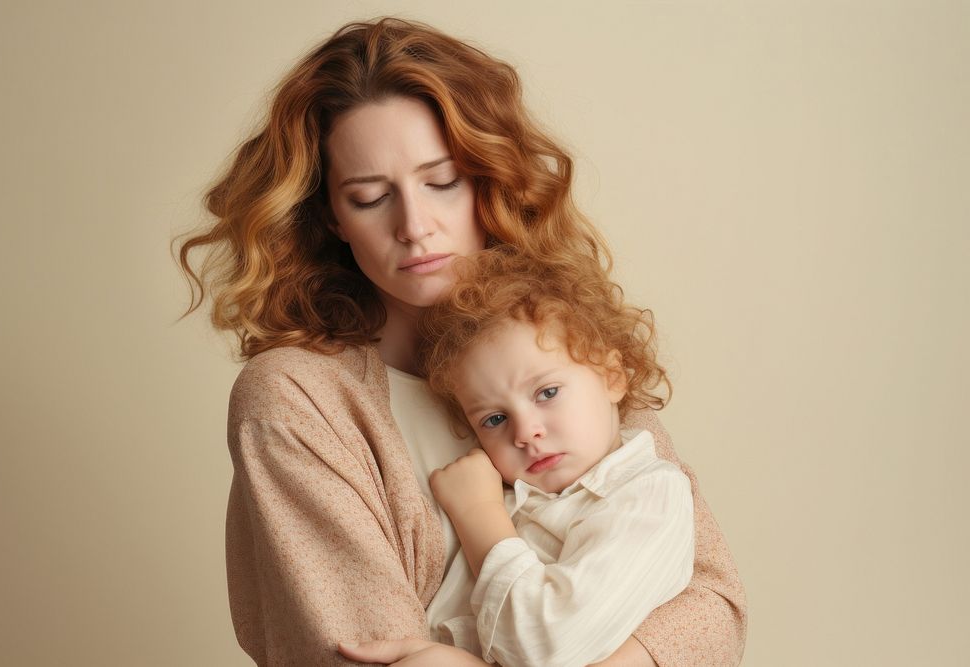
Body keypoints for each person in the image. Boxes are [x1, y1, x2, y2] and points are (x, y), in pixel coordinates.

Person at [177, 17, 746, 667]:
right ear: (332, 215)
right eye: (369, 197)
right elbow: (363, 651)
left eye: (441, 182)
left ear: (486, 177)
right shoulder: (297, 398)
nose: (415, 226)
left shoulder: (563, 342)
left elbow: (712, 604)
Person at [416, 246, 696, 667]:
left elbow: (549, 646)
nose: (526, 432)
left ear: (613, 377)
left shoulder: (649, 496)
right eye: (494, 419)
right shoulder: (515, 494)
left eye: (547, 393)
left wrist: (478, 514)